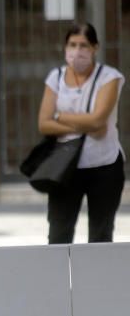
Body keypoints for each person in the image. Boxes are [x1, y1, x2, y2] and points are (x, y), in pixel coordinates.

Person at [36, 22, 124, 244]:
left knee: (101, 235)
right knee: (59, 234)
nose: (77, 51)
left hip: (104, 165)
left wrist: (60, 116)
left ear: (95, 47)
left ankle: (97, 279)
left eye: (84, 45)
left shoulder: (109, 77)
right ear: (65, 47)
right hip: (65, 167)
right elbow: (44, 124)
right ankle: (59, 279)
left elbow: (98, 120)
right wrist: (84, 125)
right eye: (72, 45)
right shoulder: (55, 77)